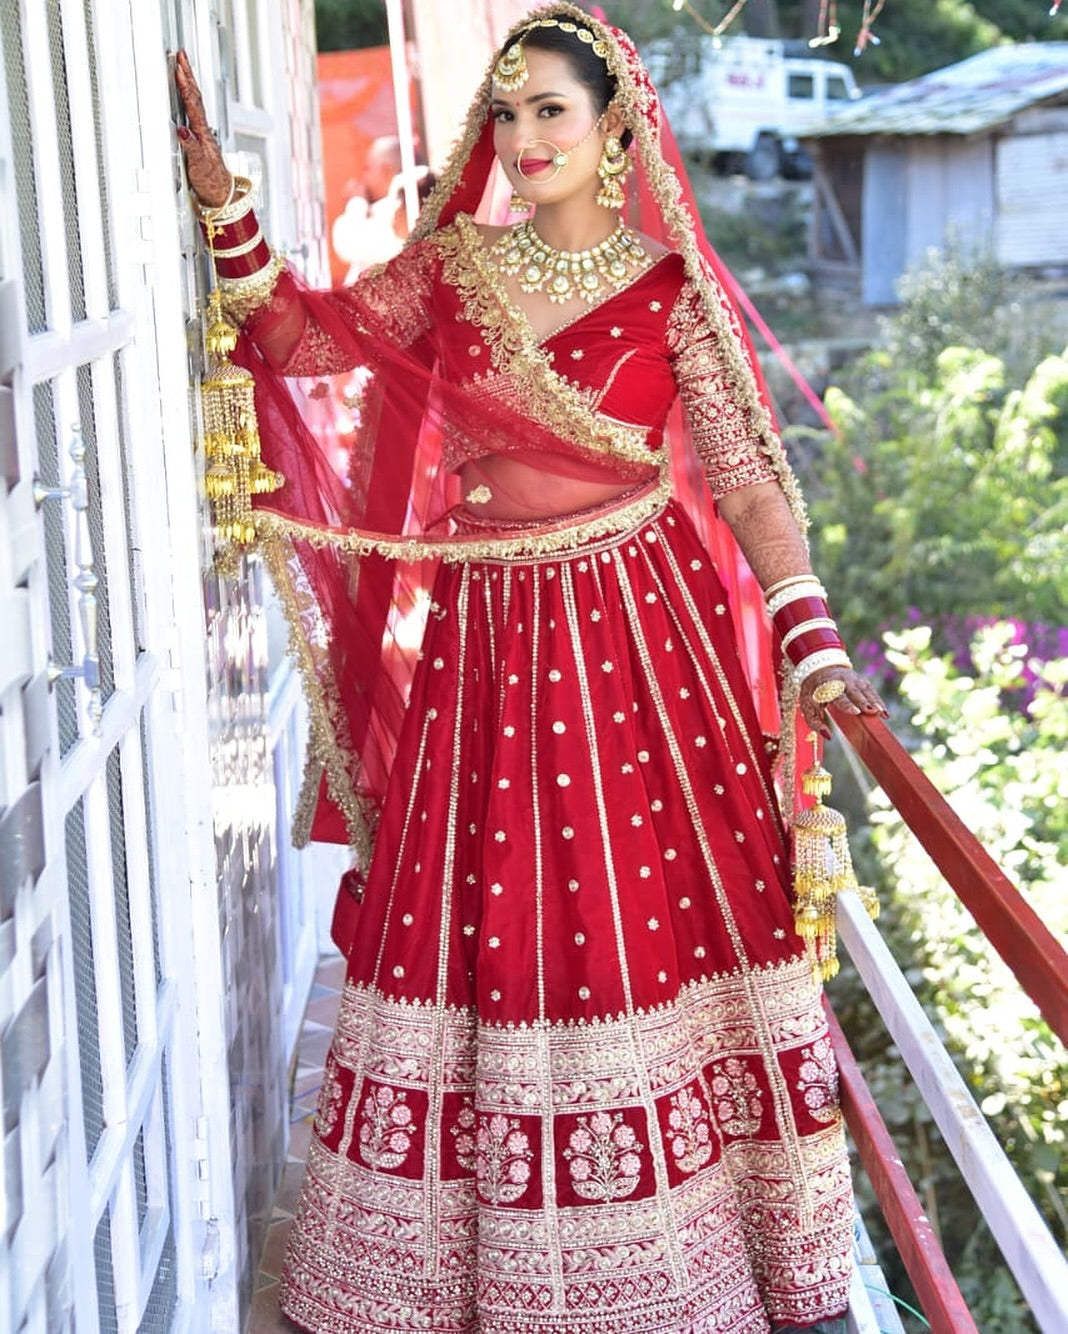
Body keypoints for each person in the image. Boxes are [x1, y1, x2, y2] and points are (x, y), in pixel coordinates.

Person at [175, 6, 887, 1331]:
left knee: (648, 909)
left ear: (617, 127)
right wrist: (226, 210)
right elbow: (303, 344)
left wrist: (812, 634)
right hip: (492, 642)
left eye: (551, 110)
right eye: (506, 114)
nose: (523, 137)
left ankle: (684, 1247)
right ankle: (477, 1253)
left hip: (643, 640)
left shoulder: (671, 292)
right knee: (491, 912)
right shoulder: (456, 267)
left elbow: (745, 480)